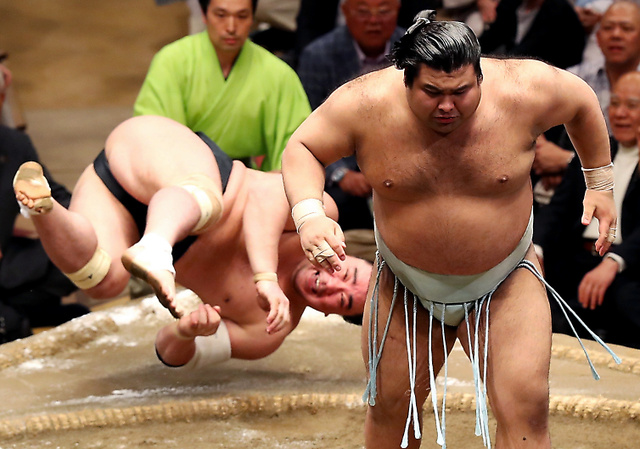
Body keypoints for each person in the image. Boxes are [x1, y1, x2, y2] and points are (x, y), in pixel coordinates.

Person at [281, 10, 619, 449]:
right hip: (404, 285)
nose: (447, 106)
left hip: (505, 279)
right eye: (432, 92)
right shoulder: (364, 103)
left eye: (461, 91)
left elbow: (582, 101)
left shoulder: (524, 87)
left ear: (479, 75)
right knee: (390, 412)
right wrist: (310, 215)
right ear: (405, 79)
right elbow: (302, 147)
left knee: (527, 408)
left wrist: (601, 183)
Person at [13, 115, 371, 363]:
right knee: (208, 205)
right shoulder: (320, 217)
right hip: (163, 158)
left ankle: (43, 208)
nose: (331, 286)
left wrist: (187, 332)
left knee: (103, 281)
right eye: (348, 275)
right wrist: (265, 277)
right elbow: (263, 202)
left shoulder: (268, 331)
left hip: (117, 202)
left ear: (326, 313)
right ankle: (156, 246)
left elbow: (167, 354)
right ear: (351, 256)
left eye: (341, 301)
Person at [134, 0, 311, 171]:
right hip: (184, 177)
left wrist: (274, 181)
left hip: (253, 183)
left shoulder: (278, 74)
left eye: (242, 16)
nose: (231, 27)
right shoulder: (171, 62)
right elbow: (155, 135)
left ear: (252, 18)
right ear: (204, 14)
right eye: (221, 15)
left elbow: (296, 147)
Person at [534, 70, 640, 350]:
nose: (619, 113)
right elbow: (557, 210)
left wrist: (614, 262)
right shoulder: (592, 150)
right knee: (534, 297)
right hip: (577, 258)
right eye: (615, 104)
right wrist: (537, 249)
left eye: (631, 106)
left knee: (627, 302)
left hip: (625, 266)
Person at [297, 0, 405, 231]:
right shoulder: (318, 56)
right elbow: (309, 126)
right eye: (364, 12)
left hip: (402, 164)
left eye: (384, 11)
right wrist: (340, 174)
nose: (374, 20)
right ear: (345, 11)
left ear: (398, 8)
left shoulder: (415, 51)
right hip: (342, 166)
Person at [0, 65, 85, 344]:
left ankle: (21, 311)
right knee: (9, 326)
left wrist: (90, 218)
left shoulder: (14, 144)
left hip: (6, 261)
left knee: (76, 250)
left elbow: (57, 195)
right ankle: (17, 316)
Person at [479, 0, 586, 70]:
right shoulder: (512, 4)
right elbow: (492, 37)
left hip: (552, 72)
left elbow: (530, 50)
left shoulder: (558, 9)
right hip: (516, 66)